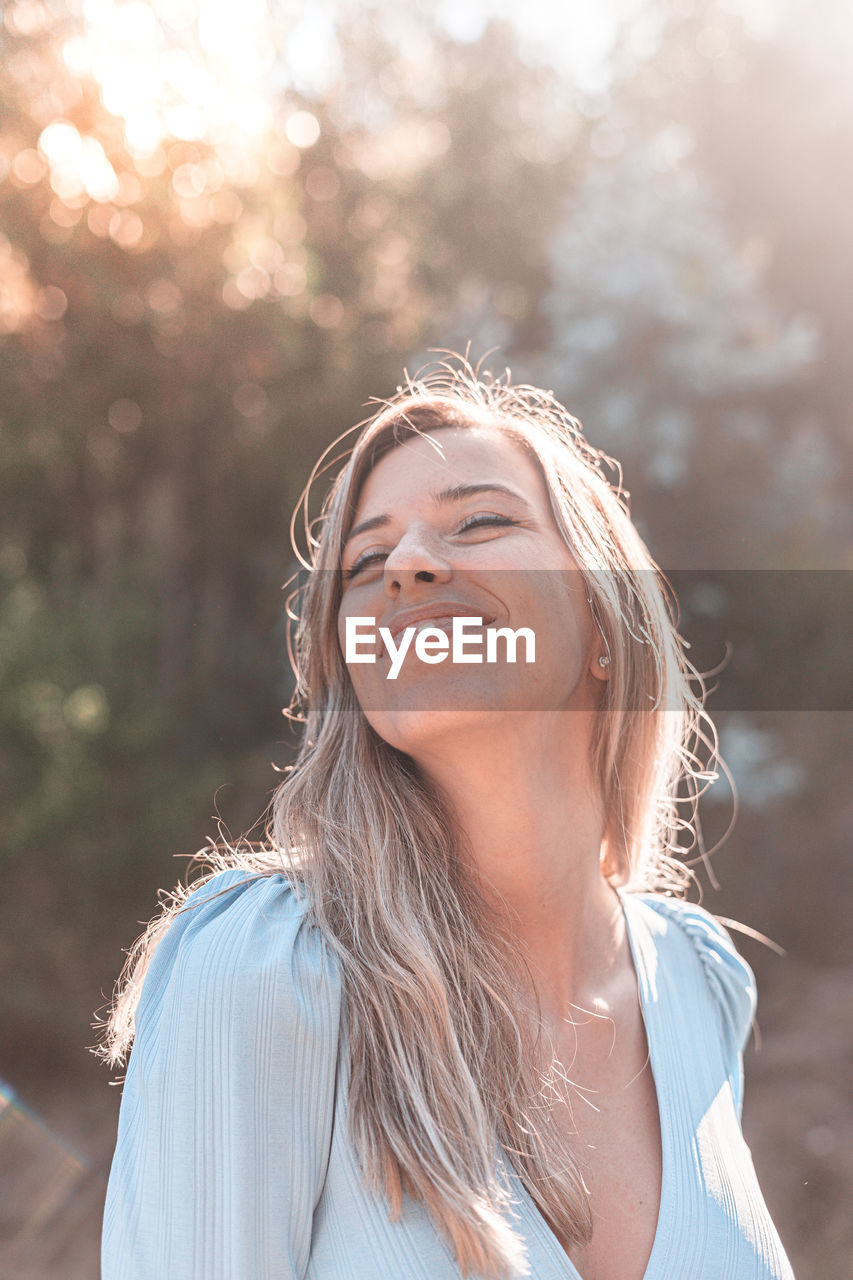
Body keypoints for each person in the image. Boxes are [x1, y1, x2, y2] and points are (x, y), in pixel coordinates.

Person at [99, 359, 796, 1280]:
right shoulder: (270, 973)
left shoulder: (703, 986)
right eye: (364, 560)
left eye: (481, 520)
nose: (408, 565)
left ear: (603, 622)